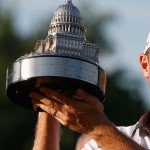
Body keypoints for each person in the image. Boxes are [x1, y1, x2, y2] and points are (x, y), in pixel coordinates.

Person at [30, 32, 150, 150]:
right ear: (145, 65)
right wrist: (50, 95)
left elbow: (102, 132)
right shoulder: (104, 143)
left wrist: (97, 127)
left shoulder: (108, 138)